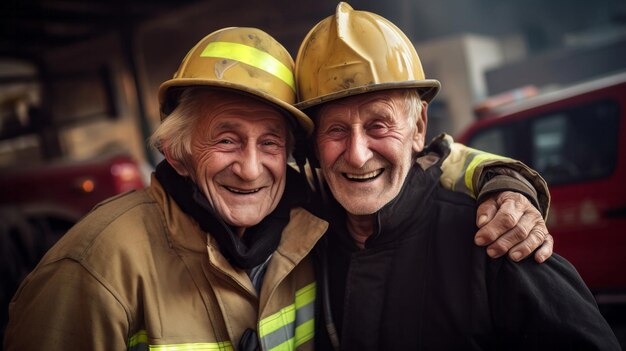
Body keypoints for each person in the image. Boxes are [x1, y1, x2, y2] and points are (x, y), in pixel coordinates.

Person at [5, 26, 550, 351]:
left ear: (293, 158)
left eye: (269, 143)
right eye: (225, 139)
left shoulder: (312, 217)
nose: (250, 168)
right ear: (175, 151)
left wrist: (503, 179)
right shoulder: (94, 269)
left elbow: (417, 165)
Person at [294, 3, 621, 350]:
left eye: (379, 125)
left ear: (418, 127)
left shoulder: (498, 238)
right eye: (336, 130)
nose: (358, 155)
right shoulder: (303, 242)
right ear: (313, 144)